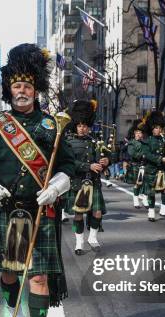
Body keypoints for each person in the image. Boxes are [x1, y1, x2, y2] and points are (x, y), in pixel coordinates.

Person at [0, 43, 75, 317]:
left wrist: (56, 187)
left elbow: (69, 166)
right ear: (9, 90)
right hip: (8, 210)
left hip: (40, 210)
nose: (22, 91)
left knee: (39, 277)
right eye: (17, 86)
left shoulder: (51, 126)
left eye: (27, 86)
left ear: (36, 90)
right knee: (10, 272)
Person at [64, 99, 107, 255]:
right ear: (76, 125)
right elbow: (68, 163)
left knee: (97, 212)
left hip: (94, 182)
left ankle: (92, 238)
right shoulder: (68, 142)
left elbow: (102, 160)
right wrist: (88, 166)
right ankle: (79, 242)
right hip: (77, 183)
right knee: (78, 215)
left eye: (85, 126)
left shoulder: (94, 142)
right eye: (80, 125)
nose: (82, 129)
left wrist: (105, 162)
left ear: (89, 126)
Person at [141, 111, 165, 222]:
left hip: (164, 169)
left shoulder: (164, 140)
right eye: (156, 128)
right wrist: (161, 159)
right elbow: (147, 154)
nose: (159, 130)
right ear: (152, 129)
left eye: (160, 127)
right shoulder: (147, 141)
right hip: (152, 169)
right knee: (151, 192)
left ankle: (163, 209)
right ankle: (151, 210)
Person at [125, 120, 149, 209]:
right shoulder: (131, 143)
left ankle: (145, 199)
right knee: (138, 183)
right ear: (135, 133)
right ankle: (135, 199)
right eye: (137, 132)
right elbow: (131, 153)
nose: (139, 134)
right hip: (136, 165)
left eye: (140, 133)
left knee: (146, 184)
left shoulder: (145, 143)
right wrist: (142, 155)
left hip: (145, 165)